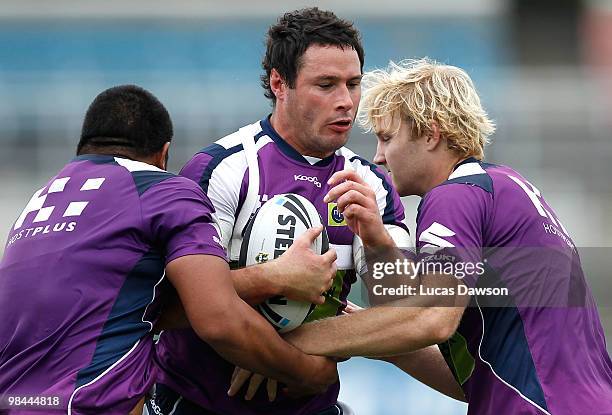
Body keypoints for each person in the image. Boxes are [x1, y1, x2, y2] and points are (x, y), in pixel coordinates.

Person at [237, 58, 612, 414]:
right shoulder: (505, 186)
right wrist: (377, 242)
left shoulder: (455, 194)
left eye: (387, 138)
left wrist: (280, 346)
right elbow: (472, 381)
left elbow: (432, 319)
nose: (379, 157)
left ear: (431, 133)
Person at [0, 85, 337, 414]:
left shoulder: (40, 200)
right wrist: (307, 373)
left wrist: (271, 279)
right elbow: (218, 319)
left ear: (85, 147)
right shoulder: (164, 190)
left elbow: (130, 302)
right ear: (163, 153)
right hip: (87, 402)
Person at [150, 7, 411, 415]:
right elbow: (167, 304)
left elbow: (402, 312)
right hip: (202, 403)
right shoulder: (223, 170)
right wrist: (272, 327)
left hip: (311, 405)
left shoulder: (372, 184)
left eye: (353, 83)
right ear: (279, 83)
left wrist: (377, 242)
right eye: (325, 84)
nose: (346, 102)